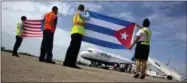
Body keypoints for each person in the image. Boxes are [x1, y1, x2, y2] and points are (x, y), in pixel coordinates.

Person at [63, 4, 90, 68]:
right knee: (75, 49)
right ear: (82, 9)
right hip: (78, 32)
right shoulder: (81, 13)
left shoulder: (75, 14)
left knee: (71, 48)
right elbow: (88, 18)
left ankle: (66, 62)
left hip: (73, 32)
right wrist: (87, 12)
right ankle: (71, 63)